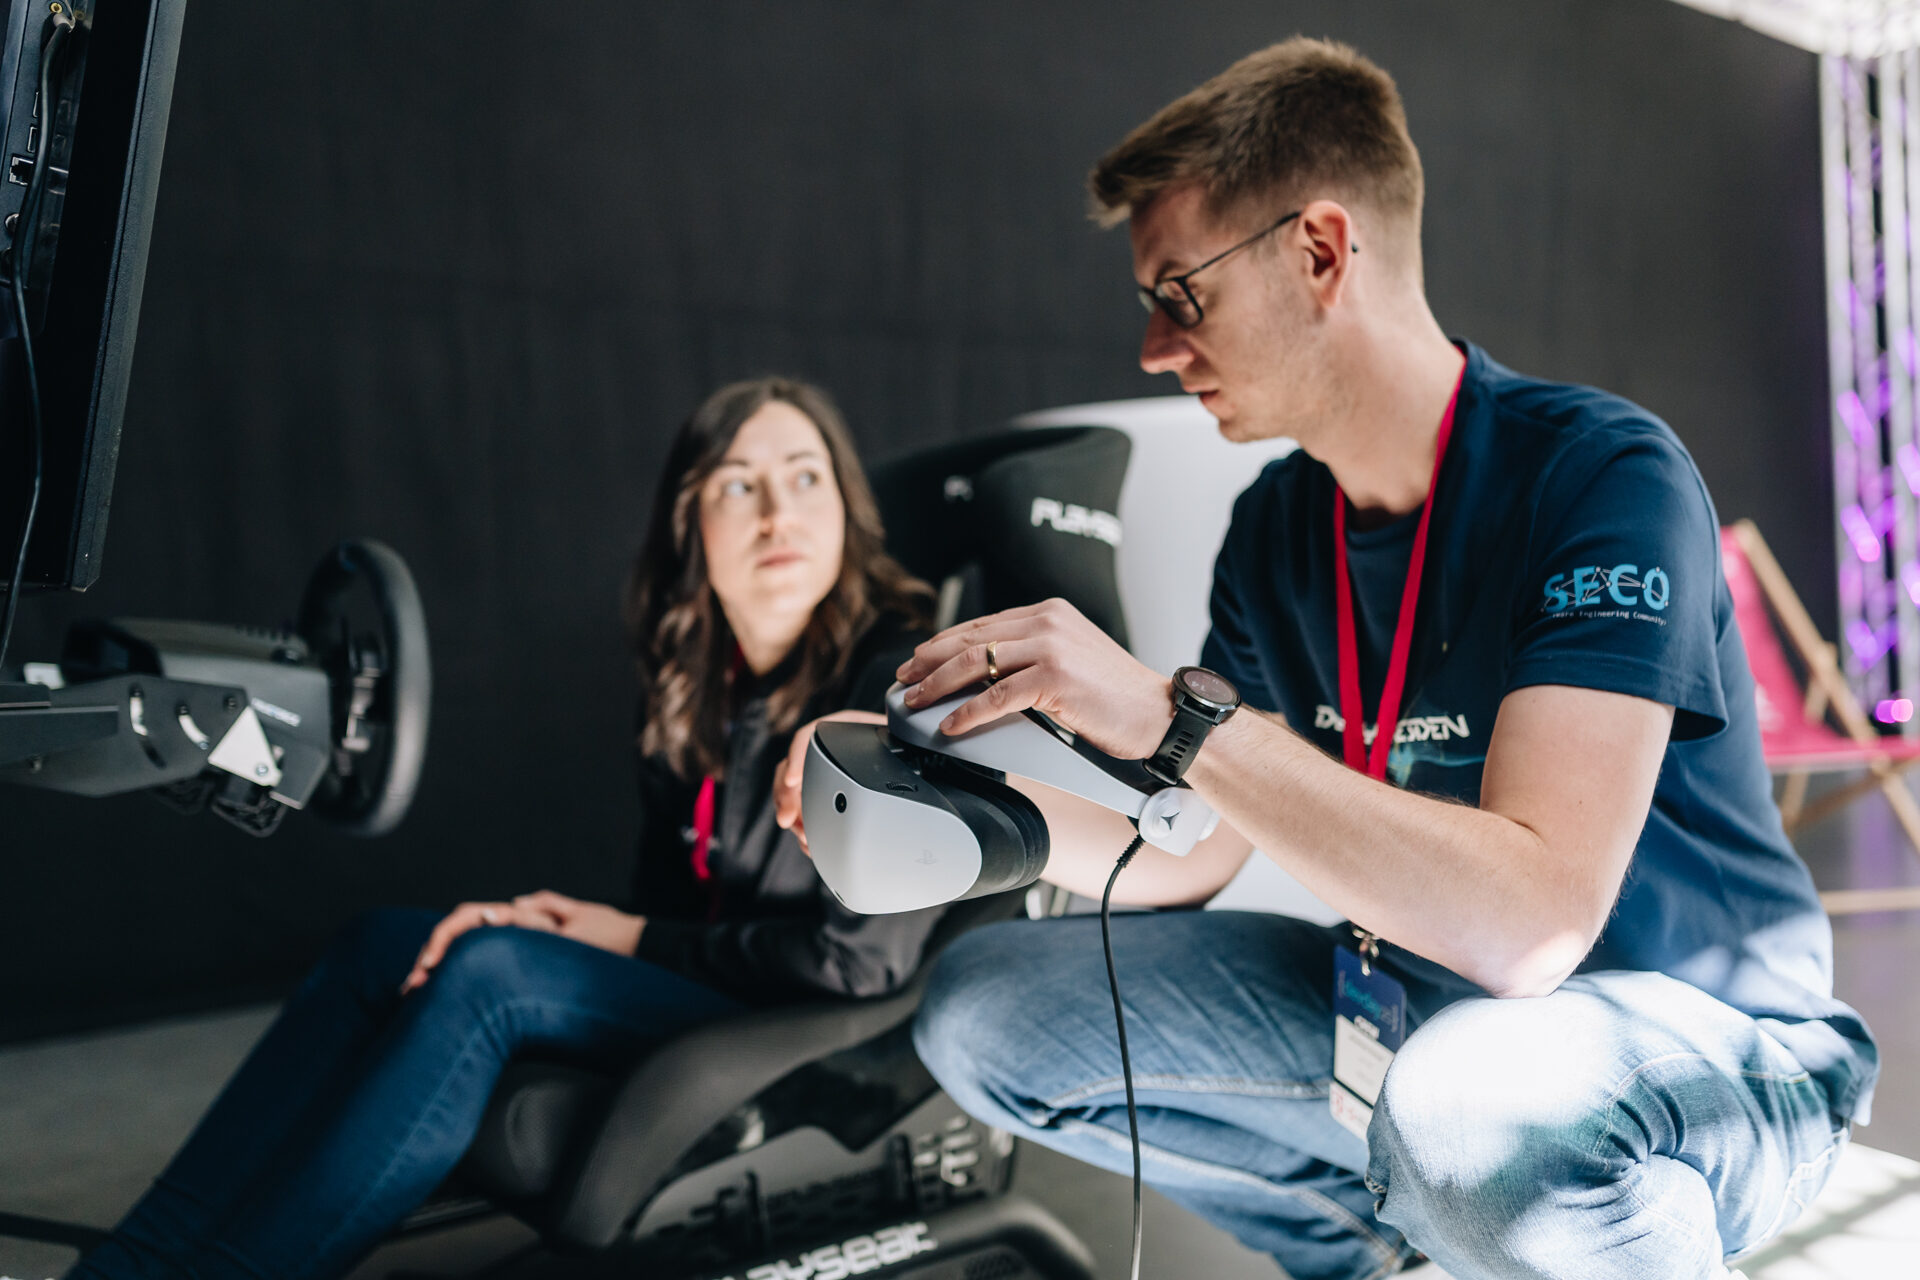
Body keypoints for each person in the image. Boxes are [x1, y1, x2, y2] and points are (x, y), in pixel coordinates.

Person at [776, 39, 1878, 1280]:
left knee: (1470, 1104)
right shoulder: (1274, 530)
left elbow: (1531, 925)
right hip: (1423, 1022)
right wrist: (946, 802)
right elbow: (1186, 846)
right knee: (987, 1007)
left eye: (1179, 293)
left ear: (1319, 251)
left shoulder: (1600, 475)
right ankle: (1373, 1251)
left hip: (1710, 1046)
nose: (1153, 346)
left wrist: (1174, 717)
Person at [69, 376, 939, 1280]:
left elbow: (858, 965)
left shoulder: (889, 687)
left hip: (812, 1020)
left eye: (805, 478)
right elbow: (667, 907)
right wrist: (570, 927)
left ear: (847, 509)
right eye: (738, 485)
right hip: (713, 980)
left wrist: (622, 938)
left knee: (493, 974)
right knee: (382, 945)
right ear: (691, 526)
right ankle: (130, 1265)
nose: (776, 515)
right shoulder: (694, 690)